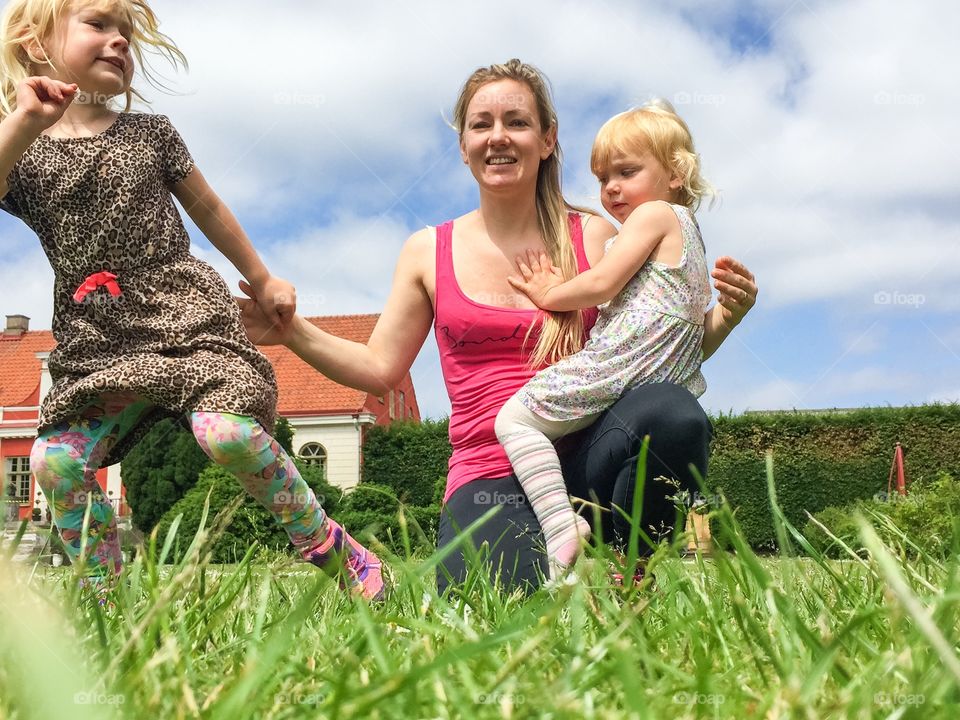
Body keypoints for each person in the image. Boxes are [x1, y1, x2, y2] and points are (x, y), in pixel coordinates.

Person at [240, 59, 757, 594]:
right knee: (498, 607)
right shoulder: (427, 251)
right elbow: (378, 369)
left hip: (587, 459)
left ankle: (629, 571)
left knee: (674, 412)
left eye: (517, 121)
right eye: (481, 124)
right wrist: (292, 332)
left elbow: (649, 346)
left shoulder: (598, 236)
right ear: (463, 145)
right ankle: (538, 555)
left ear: (548, 139)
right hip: (491, 476)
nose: (498, 137)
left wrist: (721, 320)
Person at [0, 0, 382, 599]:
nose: (120, 41)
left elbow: (208, 209)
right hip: (96, 341)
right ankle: (105, 595)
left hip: (182, 316)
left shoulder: (149, 133)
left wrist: (261, 276)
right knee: (54, 459)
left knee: (225, 433)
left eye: (126, 32)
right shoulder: (20, 149)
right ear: (31, 39)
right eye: (99, 25)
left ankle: (330, 546)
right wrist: (22, 122)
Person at [495, 101, 714, 580]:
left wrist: (550, 292)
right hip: (656, 378)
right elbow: (691, 332)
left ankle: (560, 527)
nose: (610, 187)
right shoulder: (693, 238)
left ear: (675, 172)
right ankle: (630, 564)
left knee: (514, 420)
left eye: (626, 171)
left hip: (616, 365)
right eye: (602, 177)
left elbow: (603, 284)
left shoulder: (654, 214)